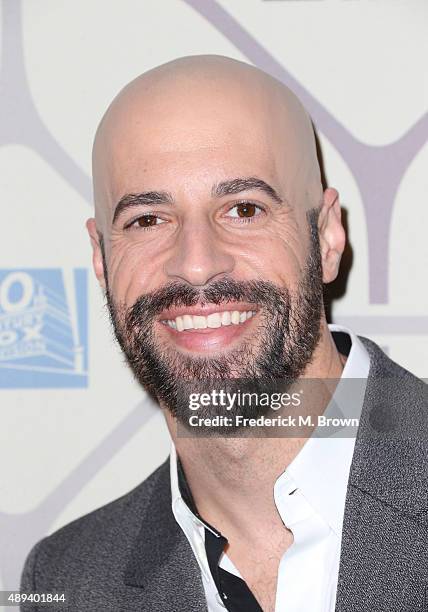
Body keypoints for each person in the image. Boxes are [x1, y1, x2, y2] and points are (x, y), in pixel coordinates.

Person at [21, 55, 427, 612]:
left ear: (327, 236)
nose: (195, 264)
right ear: (101, 256)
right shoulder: (66, 581)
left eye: (243, 208)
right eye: (147, 219)